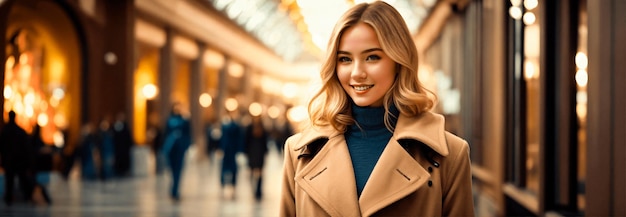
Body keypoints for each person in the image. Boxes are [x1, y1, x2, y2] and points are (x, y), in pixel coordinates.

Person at [279, 2, 474, 216]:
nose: (356, 72)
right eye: (345, 59)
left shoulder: (450, 155)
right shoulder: (300, 152)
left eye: (372, 57)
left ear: (399, 60)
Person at [0, 111, 35, 205]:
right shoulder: (19, 131)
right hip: (18, 161)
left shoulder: (5, 131)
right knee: (20, 179)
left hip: (11, 161)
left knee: (11, 181)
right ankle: (25, 196)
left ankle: (10, 198)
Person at [162, 103, 191, 201]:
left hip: (180, 148)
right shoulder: (169, 120)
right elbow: (165, 133)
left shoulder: (184, 120)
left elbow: (188, 134)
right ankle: (172, 188)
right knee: (171, 169)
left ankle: (175, 190)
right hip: (171, 148)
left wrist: (186, 146)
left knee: (178, 170)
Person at [244, 115, 269, 200]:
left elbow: (265, 141)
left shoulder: (261, 128)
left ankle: (258, 190)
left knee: (259, 173)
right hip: (254, 153)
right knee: (253, 172)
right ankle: (255, 190)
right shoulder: (250, 128)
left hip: (258, 153)